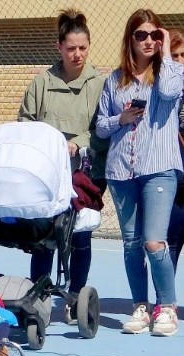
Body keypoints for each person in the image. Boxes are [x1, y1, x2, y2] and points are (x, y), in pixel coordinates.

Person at [96, 9, 184, 337]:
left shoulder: (170, 73)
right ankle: (140, 306)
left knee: (154, 242)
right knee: (131, 244)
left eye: (153, 35)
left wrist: (165, 54)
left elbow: (169, 93)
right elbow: (101, 127)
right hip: (122, 171)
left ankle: (167, 307)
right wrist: (121, 119)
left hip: (159, 168)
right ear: (129, 39)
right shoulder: (114, 80)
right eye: (141, 35)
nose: (147, 40)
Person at [18, 9, 109, 320]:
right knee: (44, 237)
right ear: (59, 47)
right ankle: (38, 297)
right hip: (48, 174)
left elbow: (104, 128)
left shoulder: (100, 84)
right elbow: (25, 124)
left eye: (83, 47)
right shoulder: (41, 83)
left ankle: (75, 297)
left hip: (86, 173)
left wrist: (79, 142)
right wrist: (52, 144)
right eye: (71, 48)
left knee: (80, 234)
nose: (77, 54)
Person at [166, 27, 184, 272]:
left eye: (183, 55)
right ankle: (164, 303)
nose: (180, 61)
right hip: (173, 180)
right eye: (175, 55)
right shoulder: (163, 92)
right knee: (170, 241)